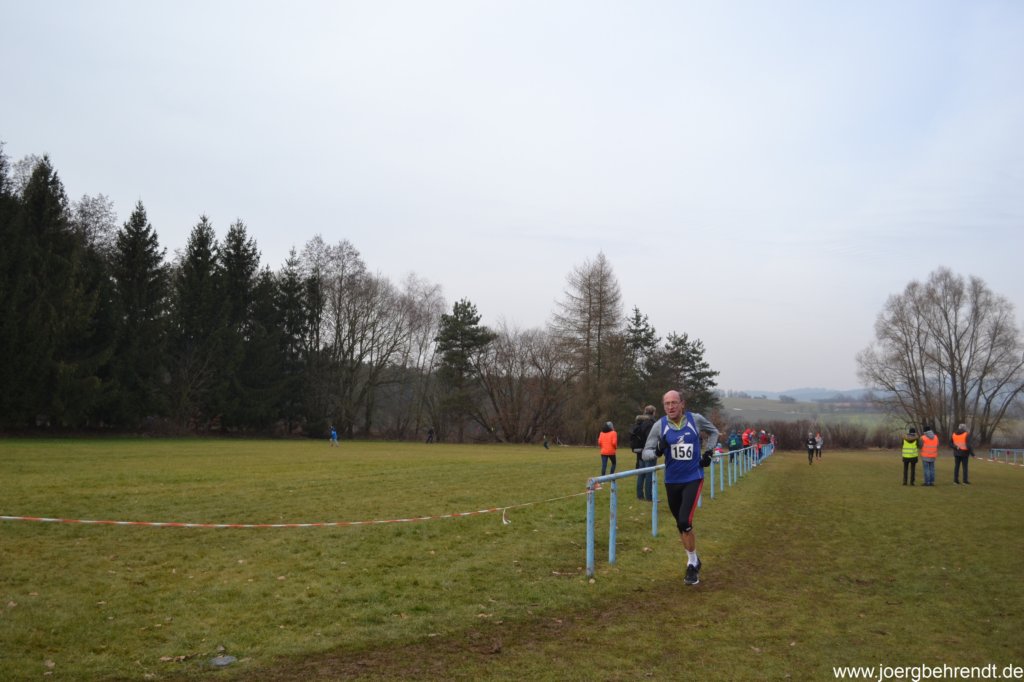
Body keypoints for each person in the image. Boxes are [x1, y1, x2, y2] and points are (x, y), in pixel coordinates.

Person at [642, 390, 720, 586]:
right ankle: (694, 559)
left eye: (674, 402)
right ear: (663, 406)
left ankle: (692, 565)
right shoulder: (660, 425)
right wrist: (657, 451)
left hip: (693, 477)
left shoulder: (696, 420)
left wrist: (709, 452)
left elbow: (714, 432)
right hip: (672, 481)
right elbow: (645, 453)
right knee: (681, 525)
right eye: (667, 403)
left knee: (685, 520)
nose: (671, 407)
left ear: (682, 404)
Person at [629, 406, 657, 501]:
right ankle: (649, 497)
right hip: (648, 451)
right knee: (649, 474)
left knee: (641, 474)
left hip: (640, 451)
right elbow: (650, 438)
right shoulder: (650, 423)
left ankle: (640, 495)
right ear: (653, 412)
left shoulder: (639, 422)